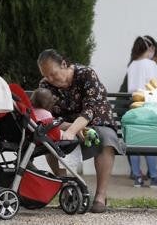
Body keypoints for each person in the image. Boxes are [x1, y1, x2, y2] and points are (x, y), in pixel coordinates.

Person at [37, 49, 125, 213]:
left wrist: (74, 130)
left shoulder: (86, 74)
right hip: (67, 125)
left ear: (64, 64)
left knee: (106, 138)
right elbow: (48, 117)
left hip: (96, 120)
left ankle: (100, 196)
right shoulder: (46, 85)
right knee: (49, 142)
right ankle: (68, 189)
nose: (50, 79)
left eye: (53, 74)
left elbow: (90, 109)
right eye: (46, 75)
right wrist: (71, 128)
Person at [125, 36, 157, 188]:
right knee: (150, 140)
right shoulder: (151, 64)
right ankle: (154, 177)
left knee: (135, 141)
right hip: (149, 106)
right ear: (150, 48)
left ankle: (137, 177)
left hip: (134, 105)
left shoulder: (132, 64)